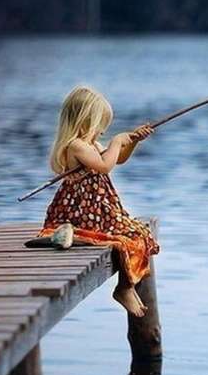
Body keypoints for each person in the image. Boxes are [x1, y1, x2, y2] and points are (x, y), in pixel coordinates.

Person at [38, 85, 159, 317]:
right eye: (100, 124)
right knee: (130, 237)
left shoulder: (90, 145)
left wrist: (132, 142)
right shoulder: (76, 146)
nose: (102, 131)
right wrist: (116, 142)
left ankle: (127, 286)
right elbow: (104, 166)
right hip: (83, 212)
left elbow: (118, 160)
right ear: (84, 121)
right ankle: (124, 288)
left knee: (140, 233)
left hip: (100, 209)